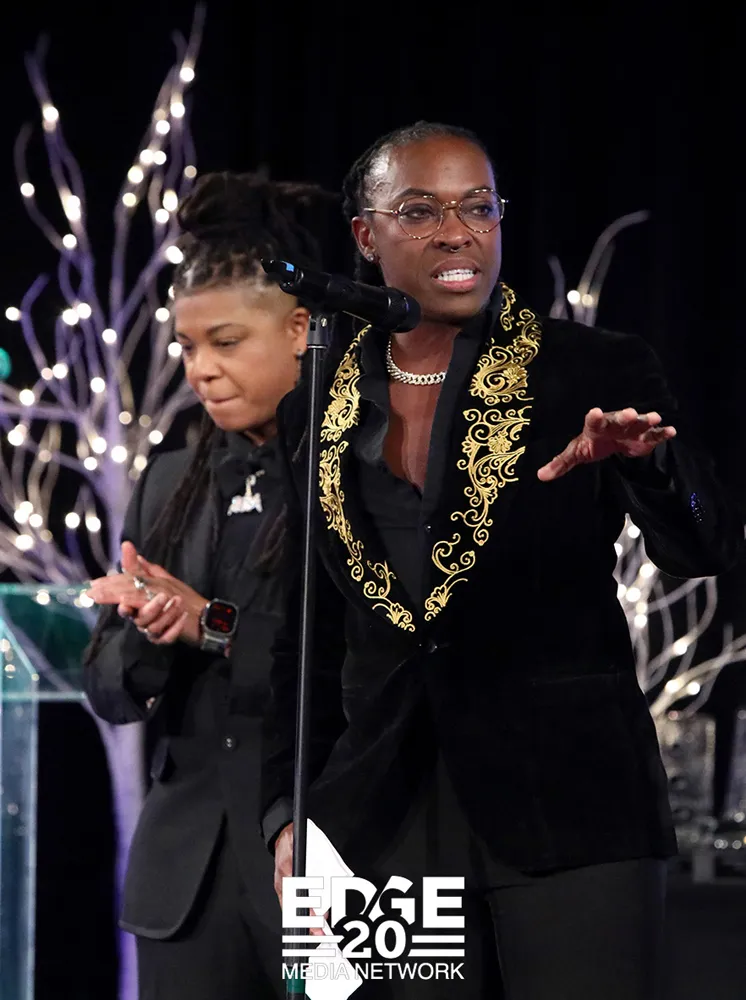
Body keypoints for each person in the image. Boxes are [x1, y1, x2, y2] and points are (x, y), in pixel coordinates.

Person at [261, 122, 745, 1000]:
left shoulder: (590, 367)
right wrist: (285, 810)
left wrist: (652, 467)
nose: (458, 233)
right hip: (379, 815)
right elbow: (306, 624)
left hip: (572, 805)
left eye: (478, 208)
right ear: (366, 236)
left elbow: (704, 545)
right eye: (421, 212)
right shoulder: (317, 400)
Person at [83, 171, 334, 1000]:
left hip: (317, 859)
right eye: (188, 347)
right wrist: (147, 630)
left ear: (299, 330)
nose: (202, 370)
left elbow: (349, 657)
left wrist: (211, 623)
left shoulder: (356, 471)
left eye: (226, 342)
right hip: (185, 880)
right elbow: (110, 690)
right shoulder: (169, 480)